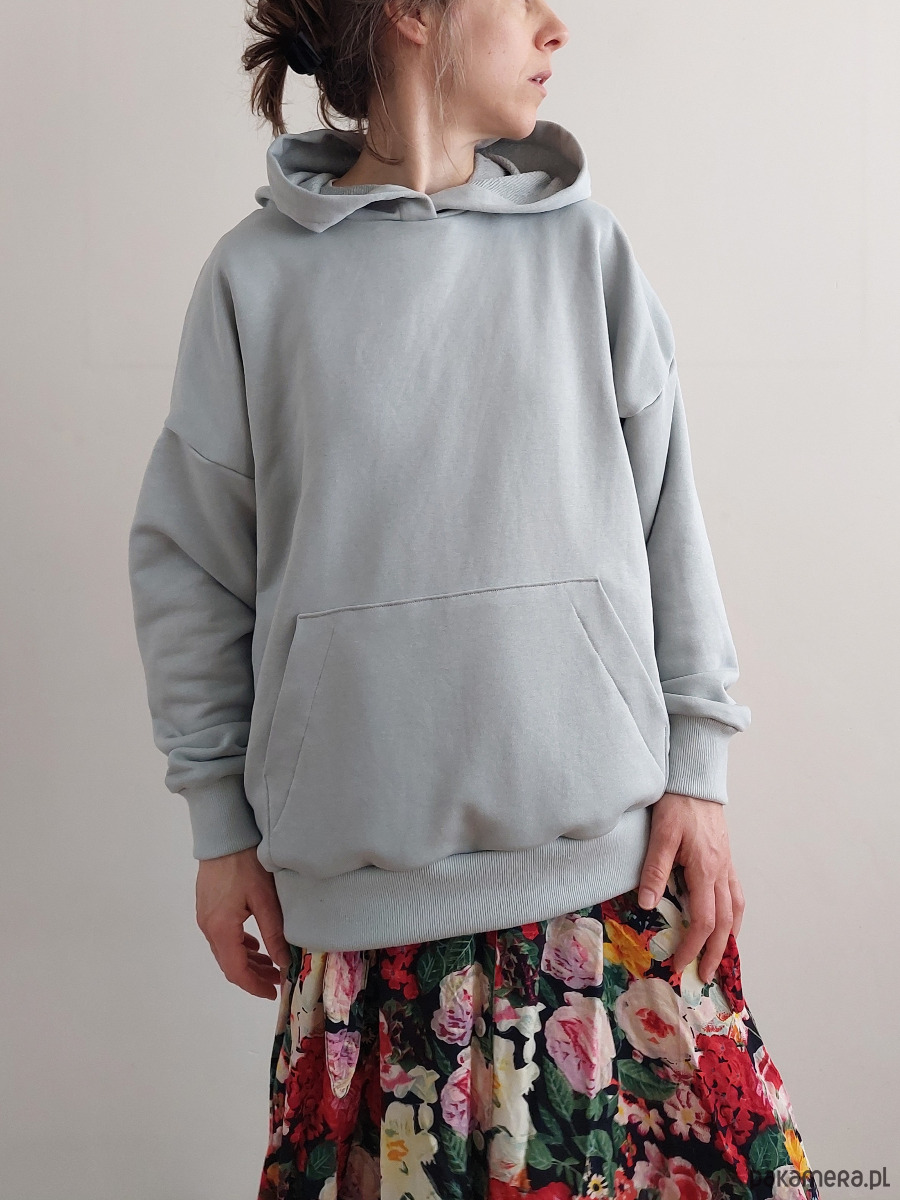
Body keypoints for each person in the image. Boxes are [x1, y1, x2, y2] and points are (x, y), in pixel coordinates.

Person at [127, 0, 819, 1196]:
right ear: (411, 12)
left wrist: (700, 764)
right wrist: (219, 825)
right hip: (366, 946)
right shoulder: (254, 278)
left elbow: (670, 515)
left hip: (611, 906)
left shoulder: (585, 250)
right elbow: (190, 563)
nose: (557, 26)